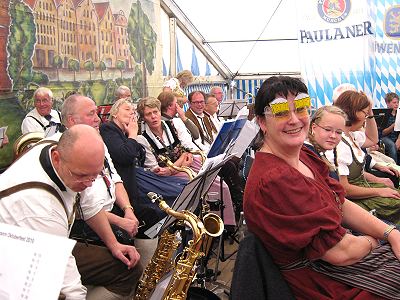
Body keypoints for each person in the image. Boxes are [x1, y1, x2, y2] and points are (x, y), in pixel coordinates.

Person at [244, 75, 400, 299]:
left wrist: (391, 232)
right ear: (261, 122)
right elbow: (340, 253)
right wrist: (375, 239)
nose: (294, 120)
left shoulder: (304, 155)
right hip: (324, 280)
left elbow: (340, 202)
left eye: (300, 108)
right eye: (280, 112)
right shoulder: (275, 179)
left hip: (343, 259)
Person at [0, 125, 140, 299]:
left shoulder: (63, 146)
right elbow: (70, 286)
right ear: (57, 158)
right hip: (15, 259)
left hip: (45, 237)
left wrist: (114, 244)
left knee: (128, 269)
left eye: (94, 176)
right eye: (81, 176)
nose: (89, 184)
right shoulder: (40, 206)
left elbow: (87, 203)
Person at [135, 97, 236, 225]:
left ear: (160, 112)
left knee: (220, 185)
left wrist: (179, 162)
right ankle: (204, 225)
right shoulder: (142, 139)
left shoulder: (174, 124)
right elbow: (157, 171)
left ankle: (224, 224)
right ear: (143, 118)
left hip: (189, 163)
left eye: (155, 112)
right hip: (170, 177)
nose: (154, 117)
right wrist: (180, 162)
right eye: (149, 114)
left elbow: (189, 146)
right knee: (199, 187)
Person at [99, 98, 188, 228]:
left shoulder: (124, 133)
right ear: (114, 114)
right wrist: (133, 133)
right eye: (127, 109)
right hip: (131, 182)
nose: (131, 113)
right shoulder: (108, 128)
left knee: (183, 188)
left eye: (133, 111)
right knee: (175, 193)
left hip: (139, 177)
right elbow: (125, 156)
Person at [328, 90, 400, 225]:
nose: (367, 116)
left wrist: (370, 111)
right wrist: (379, 191)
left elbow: (373, 139)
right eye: (364, 113)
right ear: (352, 112)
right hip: (354, 200)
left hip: (363, 188)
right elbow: (345, 188)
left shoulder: (352, 136)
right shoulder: (340, 143)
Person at [306, 105, 348, 180]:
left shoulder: (317, 153)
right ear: (314, 128)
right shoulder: (308, 155)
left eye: (339, 132)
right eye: (327, 130)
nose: (333, 136)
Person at [381, 92, 400, 163]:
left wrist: (398, 140)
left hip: (397, 136)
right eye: (394, 102)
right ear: (387, 103)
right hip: (385, 137)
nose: (397, 104)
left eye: (397, 102)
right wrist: (394, 125)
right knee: (392, 146)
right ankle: (395, 168)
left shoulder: (399, 113)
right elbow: (383, 133)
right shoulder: (384, 114)